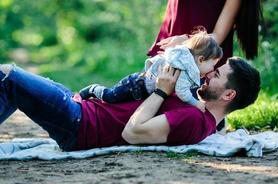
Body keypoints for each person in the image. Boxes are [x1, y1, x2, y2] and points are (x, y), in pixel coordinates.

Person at [0, 56, 260, 151]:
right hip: (82, 106)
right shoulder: (201, 111)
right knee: (16, 85)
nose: (208, 74)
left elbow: (132, 133)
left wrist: (160, 92)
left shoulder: (195, 121)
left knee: (8, 77)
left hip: (81, 124)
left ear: (228, 96)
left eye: (216, 75)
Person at [148, 0, 262, 130]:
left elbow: (218, 35)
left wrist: (186, 40)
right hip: (170, 57)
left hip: (197, 68)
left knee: (182, 123)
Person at [78, 30, 223, 111]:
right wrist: (196, 103)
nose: (212, 70)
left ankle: (92, 105)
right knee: (110, 97)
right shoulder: (186, 68)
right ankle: (92, 89)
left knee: (117, 107)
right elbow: (182, 92)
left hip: (142, 88)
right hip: (135, 85)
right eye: (213, 65)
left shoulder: (184, 59)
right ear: (201, 59)